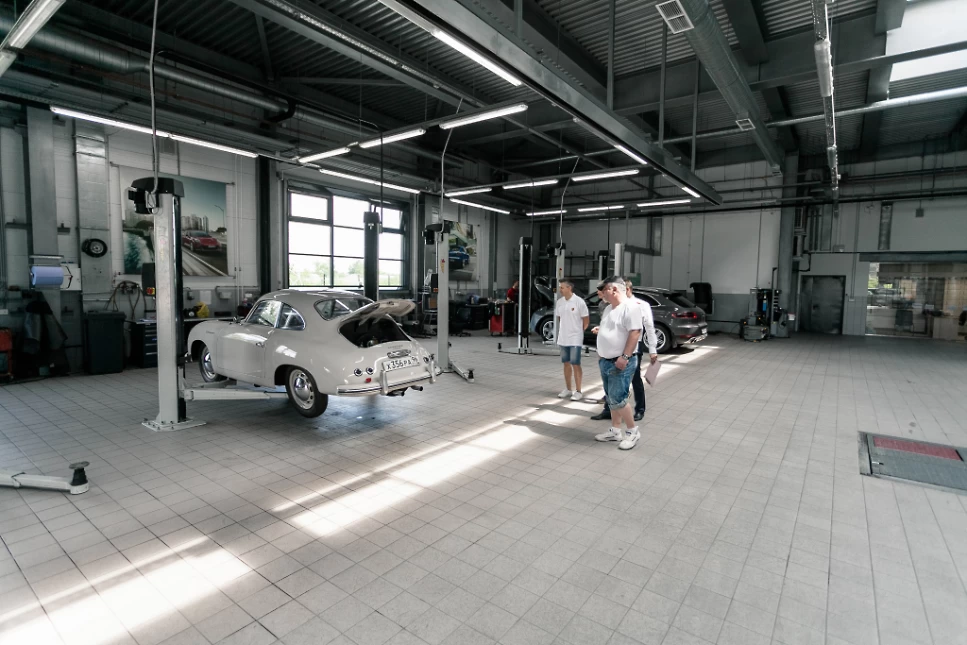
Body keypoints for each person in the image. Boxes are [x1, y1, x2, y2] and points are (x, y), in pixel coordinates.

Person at [591, 279, 658, 422]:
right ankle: (608, 410)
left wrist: (653, 349)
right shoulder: (611, 307)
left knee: (635, 380)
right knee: (612, 386)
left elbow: (648, 328)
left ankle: (639, 410)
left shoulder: (639, 305)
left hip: (632, 350)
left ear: (626, 289)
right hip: (613, 352)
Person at [592, 276, 642, 450]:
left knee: (618, 399)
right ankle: (615, 431)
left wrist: (625, 357)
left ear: (614, 290)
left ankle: (632, 431)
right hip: (606, 361)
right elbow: (614, 329)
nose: (601, 293)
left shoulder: (631, 308)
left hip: (620, 362)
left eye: (603, 289)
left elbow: (635, 332)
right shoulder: (609, 309)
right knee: (611, 398)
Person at [554, 280, 590, 401]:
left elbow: (586, 320)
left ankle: (578, 391)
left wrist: (579, 332)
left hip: (575, 338)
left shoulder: (579, 302)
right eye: (560, 287)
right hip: (563, 337)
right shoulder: (560, 302)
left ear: (569, 288)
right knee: (566, 363)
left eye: (562, 287)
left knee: (576, 363)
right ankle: (568, 389)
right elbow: (560, 318)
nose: (560, 290)